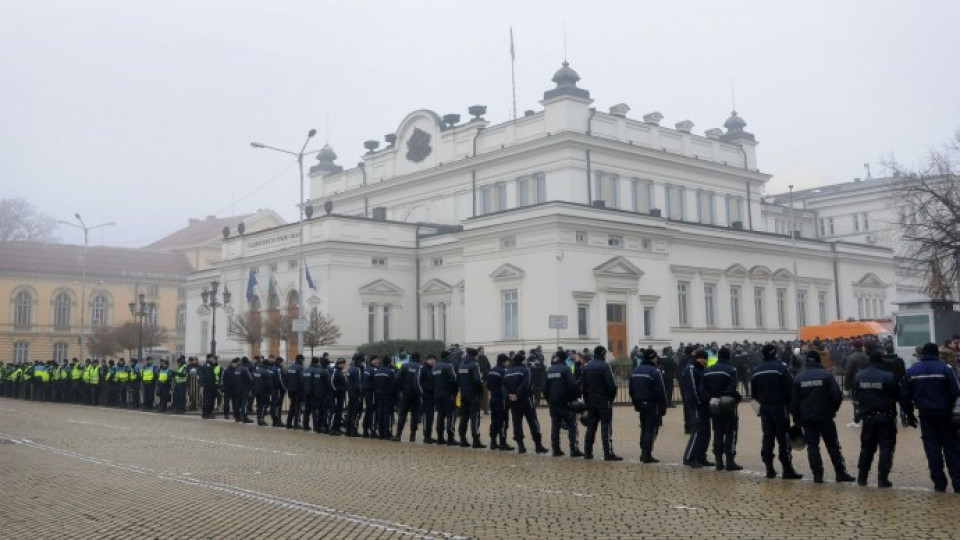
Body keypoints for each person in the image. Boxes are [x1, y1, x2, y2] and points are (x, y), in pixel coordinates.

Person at [900, 342, 960, 493]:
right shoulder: (946, 369)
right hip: (945, 413)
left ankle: (939, 483)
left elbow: (905, 396)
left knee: (932, 448)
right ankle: (958, 483)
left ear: (922, 354)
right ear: (937, 353)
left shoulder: (912, 371)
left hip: (925, 414)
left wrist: (909, 414)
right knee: (951, 448)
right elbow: (956, 391)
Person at [791, 350, 855, 484]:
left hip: (807, 418)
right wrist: (832, 410)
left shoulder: (798, 377)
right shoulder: (826, 375)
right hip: (825, 416)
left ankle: (817, 475)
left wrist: (797, 419)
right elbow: (837, 395)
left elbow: (794, 402)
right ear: (819, 361)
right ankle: (840, 473)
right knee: (833, 445)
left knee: (812, 447)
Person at [751, 343, 803, 480]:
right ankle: (787, 469)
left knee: (767, 436)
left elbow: (754, 394)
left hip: (765, 408)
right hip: (780, 407)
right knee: (783, 437)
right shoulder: (781, 367)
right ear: (775, 353)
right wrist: (794, 408)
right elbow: (790, 387)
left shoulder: (756, 370)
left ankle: (769, 468)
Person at [853, 350, 900, 488]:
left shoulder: (859, 376)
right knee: (886, 447)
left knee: (867, 447)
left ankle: (862, 477)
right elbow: (897, 395)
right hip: (886, 416)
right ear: (881, 361)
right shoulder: (888, 376)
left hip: (867, 416)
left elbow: (856, 394)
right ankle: (882, 478)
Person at [701, 347, 742, 471]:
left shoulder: (707, 370)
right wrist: (726, 395)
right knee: (731, 432)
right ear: (728, 357)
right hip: (728, 403)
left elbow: (702, 388)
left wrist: (710, 398)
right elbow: (732, 386)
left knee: (717, 432)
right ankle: (730, 460)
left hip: (714, 403)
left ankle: (718, 460)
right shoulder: (731, 370)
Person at [581, 345, 622, 461]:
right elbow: (611, 385)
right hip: (604, 400)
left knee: (591, 426)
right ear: (603, 354)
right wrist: (610, 398)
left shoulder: (587, 366)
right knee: (606, 426)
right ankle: (607, 453)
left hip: (591, 400)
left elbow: (583, 386)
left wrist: (586, 399)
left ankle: (588, 452)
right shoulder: (605, 366)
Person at [503, 351, 548, 454]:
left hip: (512, 401)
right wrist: (518, 394)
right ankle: (538, 445)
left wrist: (509, 395)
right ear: (522, 360)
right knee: (533, 421)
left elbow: (503, 385)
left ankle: (521, 446)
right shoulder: (525, 369)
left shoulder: (508, 371)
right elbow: (526, 384)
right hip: (525, 399)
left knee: (516, 423)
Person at [629, 348, 667, 463]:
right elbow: (661, 391)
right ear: (652, 358)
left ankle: (643, 451)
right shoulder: (654, 371)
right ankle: (646, 454)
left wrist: (635, 403)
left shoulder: (636, 370)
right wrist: (663, 407)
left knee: (644, 428)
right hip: (652, 403)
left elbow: (631, 389)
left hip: (640, 403)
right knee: (651, 429)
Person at [682, 349, 714, 468]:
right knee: (698, 430)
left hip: (704, 404)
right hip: (696, 404)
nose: (706, 361)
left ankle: (701, 456)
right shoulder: (691, 369)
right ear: (699, 358)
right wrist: (700, 401)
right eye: (704, 359)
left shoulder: (700, 369)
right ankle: (689, 457)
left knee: (705, 431)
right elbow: (693, 387)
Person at [457, 348, 485, 448]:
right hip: (473, 395)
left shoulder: (461, 364)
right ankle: (476, 440)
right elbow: (477, 380)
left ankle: (463, 439)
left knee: (464, 417)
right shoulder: (475, 364)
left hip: (463, 394)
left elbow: (458, 379)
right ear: (475, 355)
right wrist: (481, 391)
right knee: (475, 417)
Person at [486, 353, 514, 451]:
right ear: (504, 361)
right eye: (507, 361)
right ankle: (502, 442)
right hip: (502, 399)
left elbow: (488, 386)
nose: (508, 363)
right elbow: (507, 385)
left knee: (494, 421)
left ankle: (493, 442)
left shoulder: (491, 370)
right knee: (503, 421)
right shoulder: (504, 371)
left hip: (493, 398)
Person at [394, 352, 423, 442]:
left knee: (402, 414)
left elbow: (398, 379)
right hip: (417, 394)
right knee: (415, 415)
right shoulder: (421, 367)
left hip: (405, 393)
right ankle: (412, 435)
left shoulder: (405, 366)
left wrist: (400, 390)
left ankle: (398, 434)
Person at [432, 351, 458, 445]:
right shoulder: (448, 366)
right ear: (448, 357)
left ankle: (440, 438)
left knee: (440, 415)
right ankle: (450, 438)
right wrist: (454, 392)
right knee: (451, 415)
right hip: (448, 394)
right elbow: (453, 379)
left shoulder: (435, 367)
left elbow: (432, 381)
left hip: (437, 394)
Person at [844, 340, 870, 427]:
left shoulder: (851, 357)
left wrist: (846, 387)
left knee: (855, 402)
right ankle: (866, 417)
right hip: (866, 381)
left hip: (855, 382)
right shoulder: (867, 357)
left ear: (854, 347)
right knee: (866, 400)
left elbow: (848, 372)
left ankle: (856, 420)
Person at [374, 356, 397, 439]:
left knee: (380, 413)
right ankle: (387, 432)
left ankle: (380, 432)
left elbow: (375, 384)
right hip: (388, 395)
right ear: (389, 362)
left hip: (379, 394)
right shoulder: (390, 371)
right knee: (387, 414)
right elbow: (393, 385)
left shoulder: (378, 371)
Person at [345, 354, 364, 437]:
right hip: (356, 394)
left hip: (350, 394)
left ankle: (348, 430)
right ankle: (353, 430)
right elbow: (359, 384)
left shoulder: (350, 369)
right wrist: (361, 394)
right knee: (356, 413)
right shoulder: (357, 370)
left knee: (350, 412)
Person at [419, 354, 436, 444]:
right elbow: (418, 381)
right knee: (427, 416)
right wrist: (422, 393)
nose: (432, 361)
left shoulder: (432, 369)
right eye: (431, 359)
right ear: (427, 360)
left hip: (432, 395)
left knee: (431, 416)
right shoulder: (423, 369)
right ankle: (426, 436)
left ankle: (429, 435)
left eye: (434, 360)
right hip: (426, 396)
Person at [361, 355, 380, 437]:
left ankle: (366, 428)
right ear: (371, 360)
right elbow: (366, 382)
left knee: (370, 411)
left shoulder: (375, 369)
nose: (377, 361)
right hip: (371, 393)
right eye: (375, 360)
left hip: (372, 392)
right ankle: (371, 429)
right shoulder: (370, 369)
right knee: (372, 411)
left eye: (377, 359)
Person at [328, 358, 347, 435]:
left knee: (339, 412)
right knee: (335, 411)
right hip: (336, 395)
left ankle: (337, 426)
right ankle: (332, 428)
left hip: (340, 395)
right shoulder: (335, 371)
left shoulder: (339, 371)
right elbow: (332, 382)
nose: (344, 365)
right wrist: (336, 390)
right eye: (343, 364)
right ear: (341, 364)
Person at [285, 355, 304, 428]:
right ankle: (296, 424)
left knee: (292, 406)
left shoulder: (290, 367)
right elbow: (302, 379)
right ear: (301, 360)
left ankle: (288, 423)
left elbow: (286, 378)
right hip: (298, 390)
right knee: (298, 407)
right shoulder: (300, 368)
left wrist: (288, 387)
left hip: (290, 390)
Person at [300, 357, 319, 431]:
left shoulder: (306, 370)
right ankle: (315, 426)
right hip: (313, 392)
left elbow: (302, 380)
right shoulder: (316, 370)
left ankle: (305, 425)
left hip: (306, 392)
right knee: (314, 410)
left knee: (307, 410)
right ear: (317, 362)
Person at [201, 354, 219, 419]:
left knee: (206, 400)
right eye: (213, 358)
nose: (214, 360)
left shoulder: (206, 365)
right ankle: (208, 413)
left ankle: (205, 413)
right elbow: (209, 378)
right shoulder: (208, 366)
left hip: (207, 386)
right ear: (209, 358)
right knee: (209, 400)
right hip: (209, 386)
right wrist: (212, 387)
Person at [270, 357, 286, 427]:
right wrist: (284, 388)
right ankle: (277, 421)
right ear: (280, 362)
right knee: (277, 406)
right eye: (283, 362)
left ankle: (274, 421)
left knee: (273, 405)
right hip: (278, 390)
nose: (284, 363)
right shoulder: (278, 370)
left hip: (273, 389)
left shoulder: (272, 368)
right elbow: (280, 381)